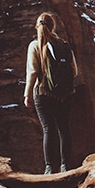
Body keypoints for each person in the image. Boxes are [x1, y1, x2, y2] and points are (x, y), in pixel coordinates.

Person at [24, 12, 78, 175]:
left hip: (42, 92)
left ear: (37, 26)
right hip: (64, 94)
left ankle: (49, 168)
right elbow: (74, 71)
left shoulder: (35, 45)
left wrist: (27, 94)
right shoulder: (63, 45)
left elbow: (33, 72)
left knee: (48, 129)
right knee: (64, 128)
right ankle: (65, 166)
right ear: (53, 26)